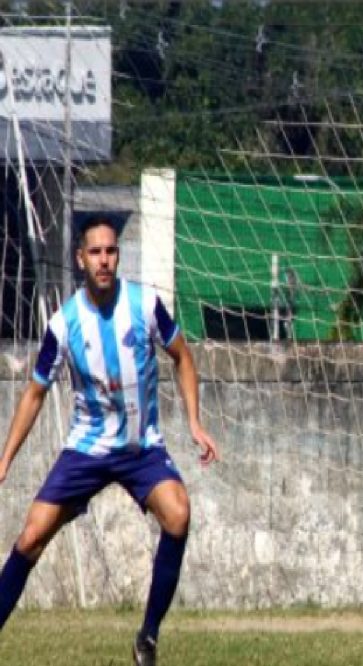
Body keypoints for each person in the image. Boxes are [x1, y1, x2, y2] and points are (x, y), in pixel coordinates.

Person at [0, 216, 220, 666]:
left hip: (142, 448)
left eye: (111, 251)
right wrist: (5, 459)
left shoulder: (144, 304)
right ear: (80, 258)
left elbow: (182, 356)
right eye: (96, 252)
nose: (104, 260)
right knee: (31, 537)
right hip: (87, 449)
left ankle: (147, 639)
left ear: (118, 256)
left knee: (178, 514)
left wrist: (195, 423)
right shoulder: (64, 324)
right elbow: (35, 393)